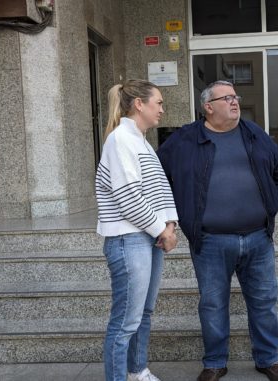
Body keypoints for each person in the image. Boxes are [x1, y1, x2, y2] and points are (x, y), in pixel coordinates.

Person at [157, 80, 278, 381]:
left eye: (235, 96)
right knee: (213, 303)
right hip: (210, 241)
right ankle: (215, 362)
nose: (235, 102)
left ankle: (268, 359)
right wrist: (173, 216)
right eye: (226, 98)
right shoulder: (184, 140)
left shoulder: (253, 133)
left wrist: (270, 204)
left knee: (264, 302)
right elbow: (157, 176)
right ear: (208, 107)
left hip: (258, 238)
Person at [96, 79, 178, 381]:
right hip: (128, 239)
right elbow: (129, 198)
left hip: (147, 236)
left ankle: (136, 370)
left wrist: (169, 225)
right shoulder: (121, 140)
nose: (162, 109)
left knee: (143, 313)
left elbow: (159, 191)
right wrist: (162, 230)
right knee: (125, 321)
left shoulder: (141, 141)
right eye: (158, 102)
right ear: (139, 104)